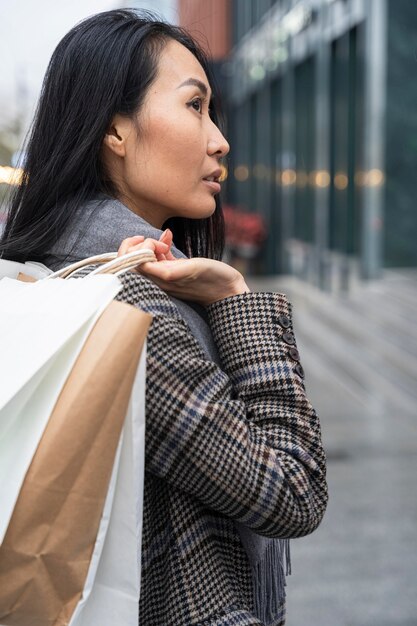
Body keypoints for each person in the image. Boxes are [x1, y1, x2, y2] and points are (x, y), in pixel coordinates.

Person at [0, 10, 328, 626]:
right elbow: (292, 492)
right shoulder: (133, 310)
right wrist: (235, 301)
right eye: (194, 106)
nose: (218, 140)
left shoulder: (56, 275)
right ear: (115, 131)